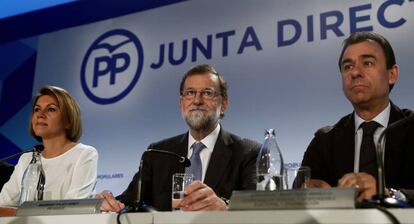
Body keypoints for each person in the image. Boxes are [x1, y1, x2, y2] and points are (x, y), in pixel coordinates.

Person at [100, 64, 260, 212]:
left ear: (223, 104)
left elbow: (258, 206)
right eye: (190, 93)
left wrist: (225, 208)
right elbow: (130, 202)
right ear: (181, 103)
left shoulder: (249, 153)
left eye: (207, 93)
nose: (197, 100)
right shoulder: (157, 153)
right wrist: (110, 203)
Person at [301, 32, 414, 204]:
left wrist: (388, 195)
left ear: (392, 74)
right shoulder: (324, 141)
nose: (355, 73)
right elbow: (301, 192)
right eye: (348, 67)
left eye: (367, 63)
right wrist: (309, 193)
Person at [0, 86, 98, 215]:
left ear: (68, 120)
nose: (40, 115)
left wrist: (22, 213)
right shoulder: (27, 159)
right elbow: (3, 203)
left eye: (51, 109)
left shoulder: (84, 154)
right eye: (37, 109)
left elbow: (74, 209)